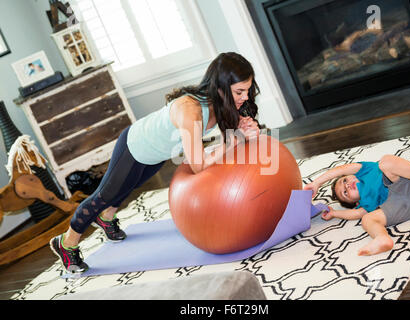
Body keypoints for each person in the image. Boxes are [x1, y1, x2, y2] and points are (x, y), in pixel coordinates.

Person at [50, 52, 262, 273]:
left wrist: (244, 126)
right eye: (239, 91)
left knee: (129, 185)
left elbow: (229, 135)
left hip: (159, 152)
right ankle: (66, 243)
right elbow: (199, 165)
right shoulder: (191, 110)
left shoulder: (220, 103)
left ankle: (106, 218)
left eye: (247, 90)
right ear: (220, 87)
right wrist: (236, 140)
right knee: (104, 196)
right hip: (135, 146)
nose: (245, 97)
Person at [304, 155, 410, 256]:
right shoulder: (365, 204)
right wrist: (334, 213)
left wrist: (317, 182)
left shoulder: (365, 169)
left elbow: (340, 170)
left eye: (344, 181)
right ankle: (381, 238)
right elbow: (355, 214)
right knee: (367, 219)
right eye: (345, 193)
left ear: (351, 174)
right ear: (356, 203)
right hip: (405, 207)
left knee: (386, 162)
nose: (347, 186)